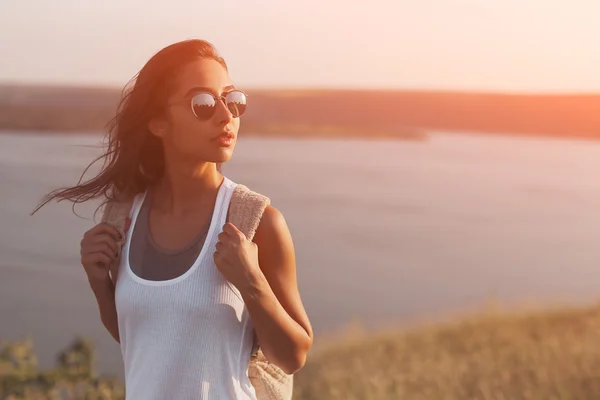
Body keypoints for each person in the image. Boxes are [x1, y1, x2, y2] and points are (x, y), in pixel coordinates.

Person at [33, 39, 313, 399]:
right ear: (158, 123)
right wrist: (99, 283)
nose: (226, 116)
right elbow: (144, 337)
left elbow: (292, 357)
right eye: (203, 104)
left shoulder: (257, 222)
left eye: (232, 100)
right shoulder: (123, 218)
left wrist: (252, 283)